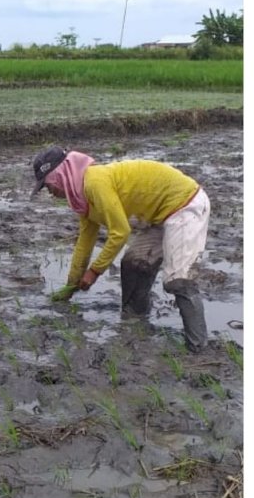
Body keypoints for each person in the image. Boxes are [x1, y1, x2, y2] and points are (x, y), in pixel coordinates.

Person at [31, 145, 210, 352]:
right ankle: (135, 326)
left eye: (48, 185)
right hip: (158, 217)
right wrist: (71, 285)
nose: (50, 192)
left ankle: (198, 350)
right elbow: (85, 241)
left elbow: (120, 232)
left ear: (60, 176)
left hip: (184, 205)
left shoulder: (94, 182)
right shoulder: (82, 198)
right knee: (133, 264)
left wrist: (94, 271)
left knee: (178, 281)